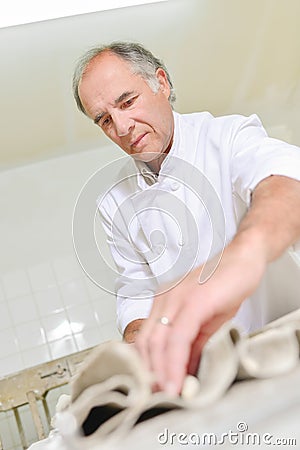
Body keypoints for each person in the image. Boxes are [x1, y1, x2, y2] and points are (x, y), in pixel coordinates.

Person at [73, 41, 300, 396]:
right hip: (207, 381)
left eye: (127, 102)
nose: (121, 126)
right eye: (104, 119)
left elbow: (288, 182)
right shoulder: (113, 200)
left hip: (285, 351)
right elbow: (135, 289)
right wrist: (138, 339)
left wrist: (239, 261)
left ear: (160, 83)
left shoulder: (227, 137)